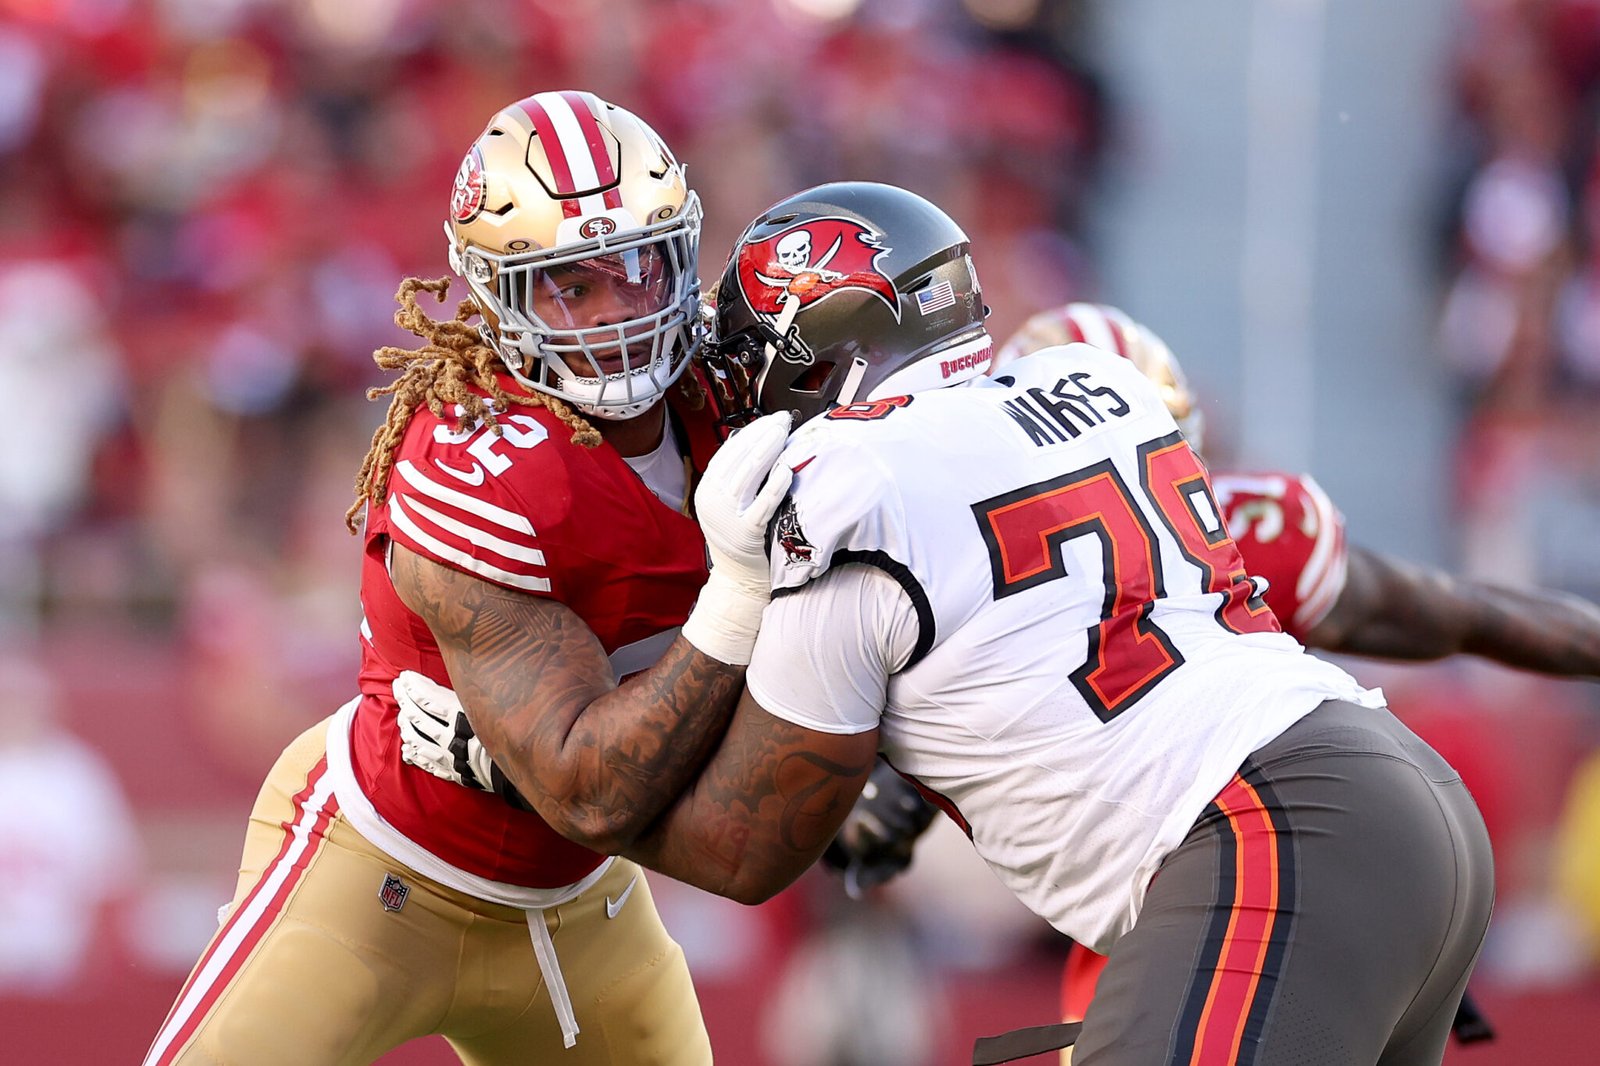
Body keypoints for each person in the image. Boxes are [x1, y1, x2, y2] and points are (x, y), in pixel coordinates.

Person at [397, 181, 1495, 1065]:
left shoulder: (840, 488)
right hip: (1402, 794)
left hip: (1266, 839)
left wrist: (514, 768)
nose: (729, 396)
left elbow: (742, 849)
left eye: (746, 363)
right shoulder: (1084, 384)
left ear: (806, 357)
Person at [142, 90, 794, 1066]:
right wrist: (744, 602)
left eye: (635, 265)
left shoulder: (739, 394)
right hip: (375, 873)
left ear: (681, 252)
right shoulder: (478, 459)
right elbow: (592, 788)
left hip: (582, 906)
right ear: (498, 295)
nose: (616, 311)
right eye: (570, 285)